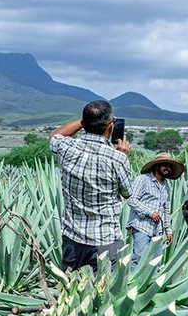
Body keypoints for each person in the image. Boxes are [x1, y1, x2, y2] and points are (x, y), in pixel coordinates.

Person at [49, 100, 132, 271]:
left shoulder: (67, 148)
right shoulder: (117, 158)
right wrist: (122, 155)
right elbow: (127, 192)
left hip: (73, 238)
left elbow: (55, 135)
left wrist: (85, 121)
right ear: (110, 127)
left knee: (70, 293)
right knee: (106, 293)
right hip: (106, 241)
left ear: (84, 124)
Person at [127, 152, 184, 271]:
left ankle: (151, 287)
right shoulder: (143, 180)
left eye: (169, 166)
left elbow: (166, 209)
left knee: (156, 262)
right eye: (164, 165)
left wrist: (168, 230)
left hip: (157, 230)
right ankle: (130, 288)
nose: (167, 168)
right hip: (141, 226)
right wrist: (149, 212)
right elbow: (131, 199)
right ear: (157, 165)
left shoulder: (166, 185)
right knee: (138, 258)